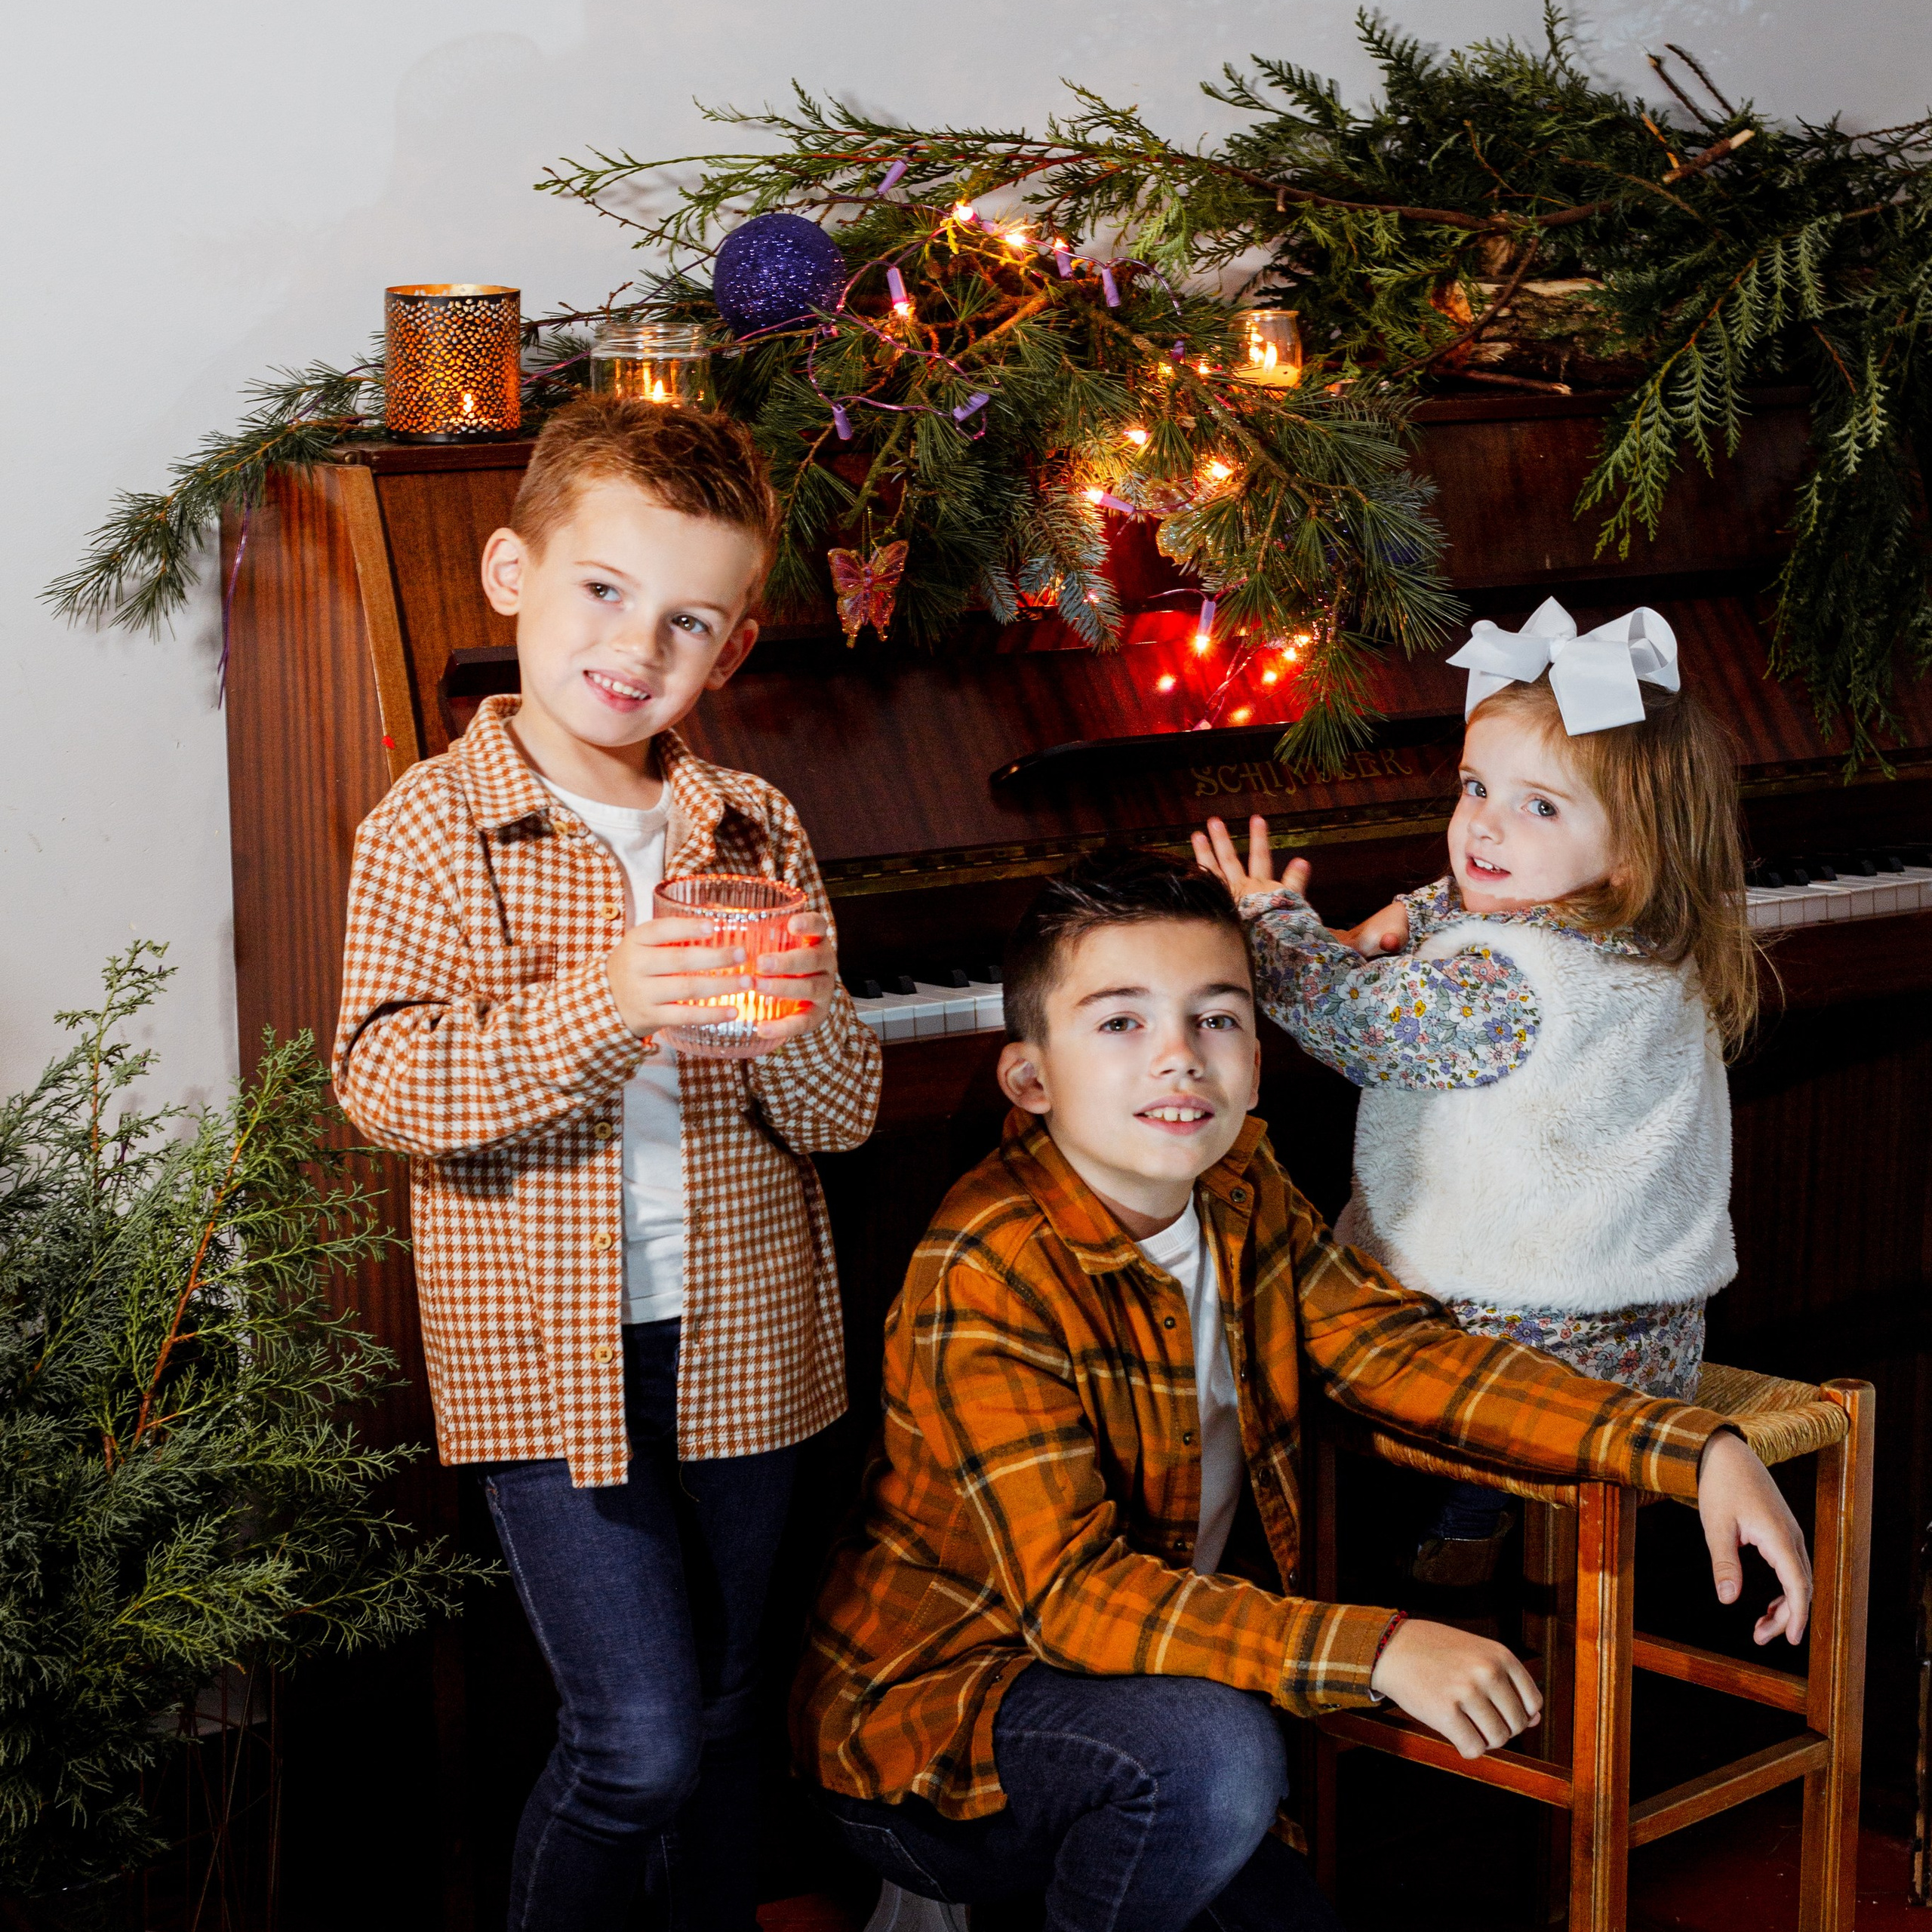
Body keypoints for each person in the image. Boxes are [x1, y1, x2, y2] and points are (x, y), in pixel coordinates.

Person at [791, 846, 1807, 1932]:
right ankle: (963, 1890)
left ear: (1259, 1058)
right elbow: (1074, 1599)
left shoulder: (1241, 1193)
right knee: (1220, 1759)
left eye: (1217, 1019)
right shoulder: (986, 1270)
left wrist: (1689, 1444)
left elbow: (1399, 1353)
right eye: (1121, 1023)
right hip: (944, 1723)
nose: (1179, 1057)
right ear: (1032, 1079)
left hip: (1154, 1691)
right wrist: (1380, 1646)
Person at [332, 395, 882, 1932]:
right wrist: (612, 999)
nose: (635, 647)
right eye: (602, 589)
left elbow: (841, 1116)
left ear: (733, 647)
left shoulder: (752, 821)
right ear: (511, 571)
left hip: (749, 1345)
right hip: (544, 1356)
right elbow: (383, 1079)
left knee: (717, 1716)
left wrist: (786, 1017)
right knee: (632, 1740)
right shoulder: (431, 828)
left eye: (687, 620)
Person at [1195, 599, 1746, 1586]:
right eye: (1476, 787)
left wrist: (1269, 921)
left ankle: (1357, 1584)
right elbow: (1462, 895)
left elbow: (1355, 1026)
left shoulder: (1512, 984)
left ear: (1628, 847)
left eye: (1539, 805)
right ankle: (1464, 1521)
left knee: (1276, 1330)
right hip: (1653, 1342)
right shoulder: (1639, 926)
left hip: (1523, 1354)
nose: (1485, 822)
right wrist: (1403, 921)